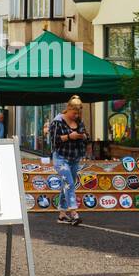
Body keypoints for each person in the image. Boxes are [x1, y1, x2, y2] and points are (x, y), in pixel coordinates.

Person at [49, 95, 89, 225]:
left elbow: (87, 136)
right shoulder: (57, 121)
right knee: (69, 184)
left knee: (66, 185)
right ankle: (73, 212)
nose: (76, 115)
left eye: (78, 113)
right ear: (68, 109)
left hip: (74, 157)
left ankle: (61, 214)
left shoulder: (79, 121)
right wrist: (69, 136)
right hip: (60, 157)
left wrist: (83, 136)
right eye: (74, 113)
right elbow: (54, 140)